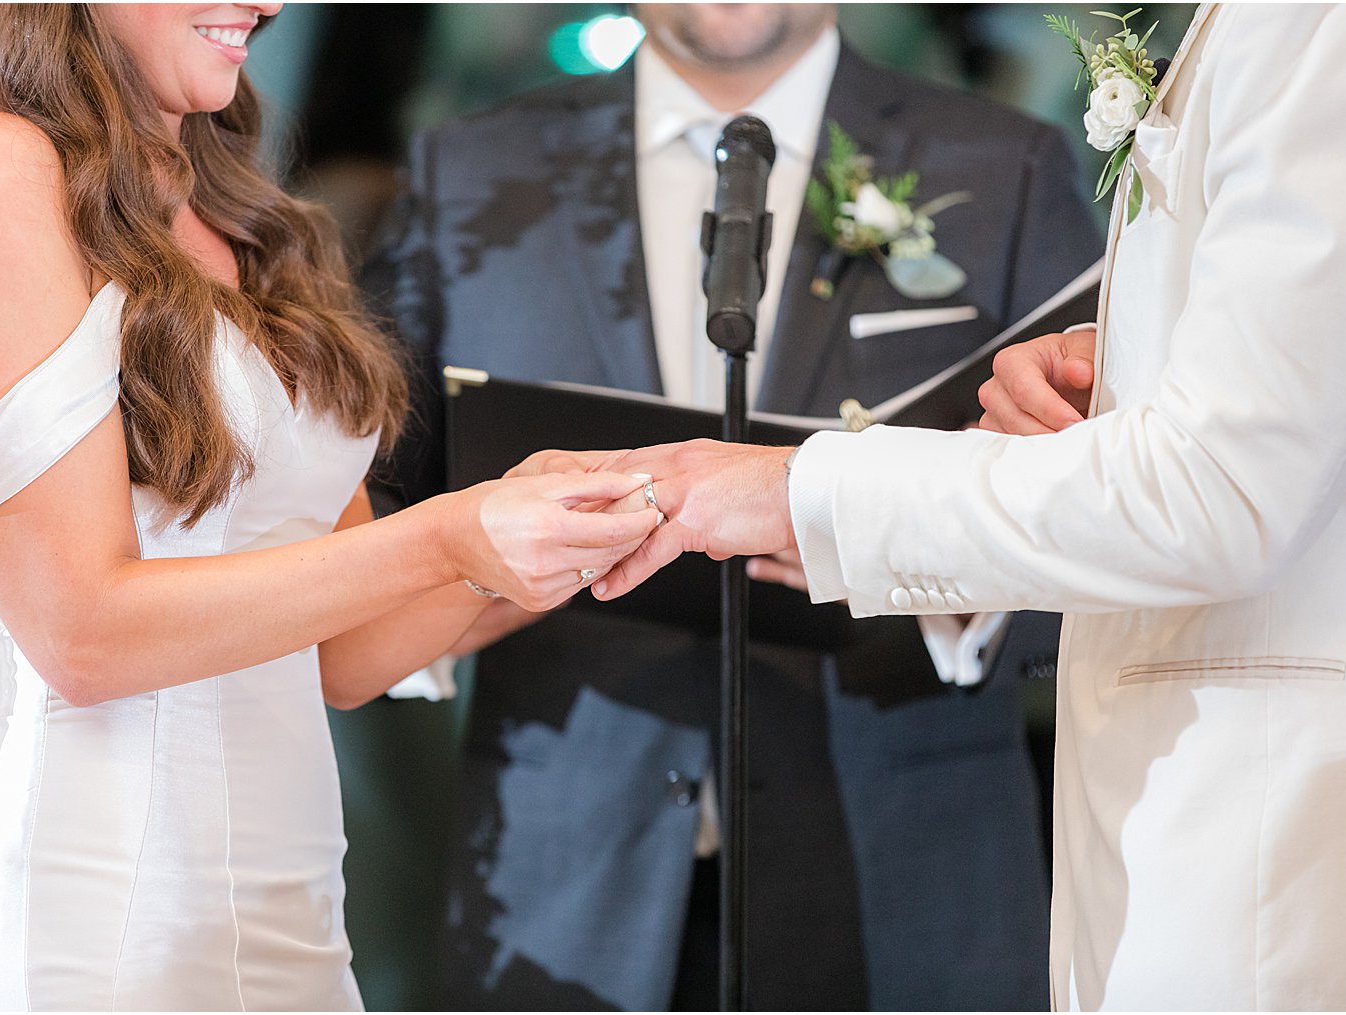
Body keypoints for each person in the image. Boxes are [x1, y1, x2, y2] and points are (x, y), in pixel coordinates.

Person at [573, 4, 1346, 1009]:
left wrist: (803, 489)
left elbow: (1222, 489)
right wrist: (1118, 381)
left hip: (1266, 834)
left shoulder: (1323, 22)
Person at [0, 4, 659, 1009]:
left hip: (289, 910)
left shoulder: (228, 200)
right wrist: (446, 531)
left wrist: (570, 528)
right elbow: (82, 638)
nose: (269, 2)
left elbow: (349, 650)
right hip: (106, 914)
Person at [362, 3, 1099, 1008]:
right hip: (556, 888)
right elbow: (375, 518)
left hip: (907, 874)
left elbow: (1112, 521)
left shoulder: (1006, 166)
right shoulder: (469, 174)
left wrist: (929, 566)